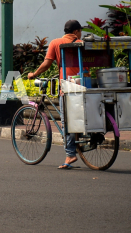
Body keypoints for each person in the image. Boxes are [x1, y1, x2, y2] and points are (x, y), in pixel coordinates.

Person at [27, 19, 84, 169]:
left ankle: (70, 154)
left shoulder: (55, 43)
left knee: (67, 121)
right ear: (77, 31)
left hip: (67, 87)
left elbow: (46, 64)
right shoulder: (82, 43)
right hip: (86, 84)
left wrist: (34, 73)